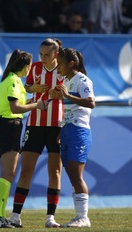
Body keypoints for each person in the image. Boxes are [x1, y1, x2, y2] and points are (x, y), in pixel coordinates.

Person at [0, 49, 48, 228]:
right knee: (8, 173)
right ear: (26, 66)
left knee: (9, 173)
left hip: (8, 127)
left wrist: (33, 99)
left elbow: (18, 104)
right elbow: (15, 108)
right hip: (9, 126)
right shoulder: (14, 80)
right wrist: (37, 105)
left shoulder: (13, 80)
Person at [9, 38, 64, 228]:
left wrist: (63, 95)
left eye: (47, 54)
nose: (43, 57)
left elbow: (74, 94)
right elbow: (26, 87)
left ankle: (50, 217)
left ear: (56, 54)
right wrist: (33, 88)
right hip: (35, 124)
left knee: (55, 172)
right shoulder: (34, 68)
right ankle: (16, 215)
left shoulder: (64, 69)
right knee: (26, 170)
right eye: (41, 54)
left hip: (57, 125)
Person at [55, 48, 95, 228]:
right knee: (71, 174)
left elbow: (91, 102)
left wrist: (68, 96)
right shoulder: (66, 81)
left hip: (79, 129)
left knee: (77, 175)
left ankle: (83, 217)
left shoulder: (83, 80)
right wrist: (60, 129)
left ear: (71, 64)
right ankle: (78, 215)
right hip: (67, 129)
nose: (58, 68)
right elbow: (67, 107)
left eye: (60, 64)